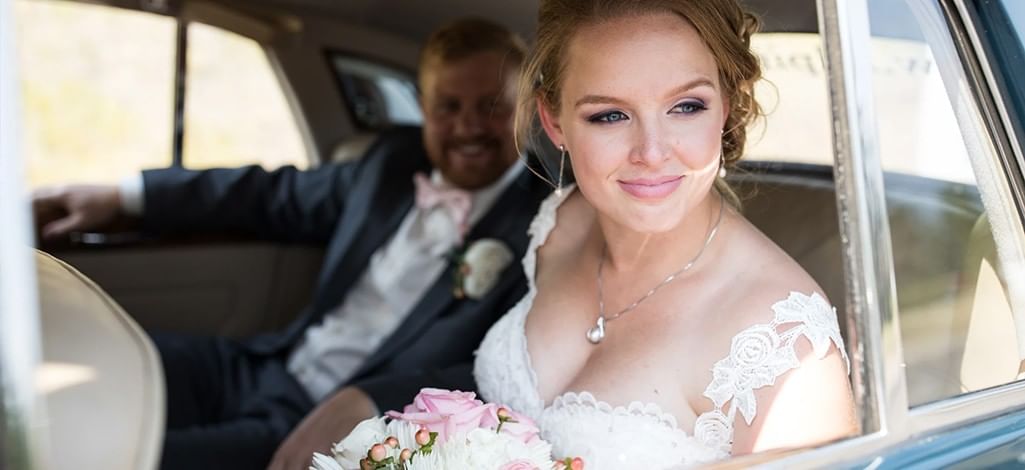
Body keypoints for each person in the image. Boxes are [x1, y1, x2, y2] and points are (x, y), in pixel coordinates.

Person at [32, 18, 549, 470]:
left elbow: (514, 367)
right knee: (62, 364)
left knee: (116, 458)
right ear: (423, 106)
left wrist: (370, 401)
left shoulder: (544, 226)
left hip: (332, 421)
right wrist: (122, 197)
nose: (468, 126)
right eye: (448, 106)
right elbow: (267, 194)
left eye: (491, 106)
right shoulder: (390, 162)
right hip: (263, 364)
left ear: (524, 107)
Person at [471, 1, 858, 467]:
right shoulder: (562, 224)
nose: (652, 153)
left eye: (686, 106)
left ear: (725, 109)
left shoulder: (784, 349)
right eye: (610, 115)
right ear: (555, 122)